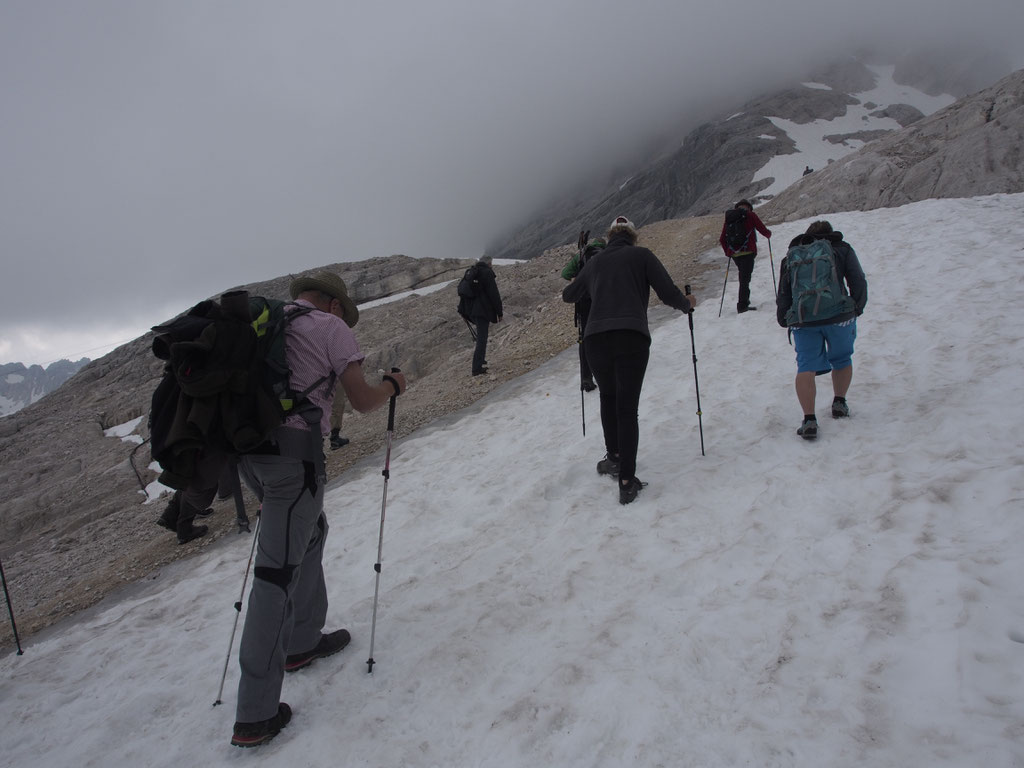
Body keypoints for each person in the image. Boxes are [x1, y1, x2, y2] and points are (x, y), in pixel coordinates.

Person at [231, 271, 407, 748]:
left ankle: (303, 639)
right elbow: (364, 400)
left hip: (250, 455)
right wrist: (393, 386)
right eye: (343, 310)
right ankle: (255, 714)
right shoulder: (329, 328)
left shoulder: (264, 326)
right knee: (273, 576)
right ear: (332, 305)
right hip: (294, 458)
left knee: (311, 531)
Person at [562, 216, 696, 504]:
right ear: (633, 236)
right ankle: (626, 481)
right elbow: (667, 292)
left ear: (609, 237)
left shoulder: (595, 263)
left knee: (608, 398)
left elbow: (569, 295)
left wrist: (584, 278)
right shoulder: (642, 255)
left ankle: (614, 457)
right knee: (627, 408)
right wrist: (687, 304)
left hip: (596, 340)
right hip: (631, 337)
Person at [776, 221, 867, 440]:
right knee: (842, 358)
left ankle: (809, 419)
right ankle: (839, 402)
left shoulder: (792, 255)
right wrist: (856, 307)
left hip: (804, 320)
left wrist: (784, 318)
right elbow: (857, 280)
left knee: (805, 366)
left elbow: (784, 291)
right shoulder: (842, 249)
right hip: (840, 317)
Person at [561, 236, 606, 391]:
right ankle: (606, 373)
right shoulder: (607, 253)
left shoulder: (582, 254)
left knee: (585, 339)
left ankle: (586, 378)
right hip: (602, 300)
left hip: (584, 301)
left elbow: (565, 273)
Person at [719, 199, 772, 313]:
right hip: (748, 251)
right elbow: (761, 228)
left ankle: (744, 302)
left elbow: (722, 239)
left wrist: (728, 252)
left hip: (734, 253)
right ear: (748, 207)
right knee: (744, 279)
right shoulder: (750, 215)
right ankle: (742, 306)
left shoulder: (730, 218)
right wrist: (768, 234)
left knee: (743, 277)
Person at [466, 255, 503, 376]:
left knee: (482, 337)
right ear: (489, 263)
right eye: (491, 263)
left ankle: (481, 360)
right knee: (482, 339)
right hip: (483, 311)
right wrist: (499, 312)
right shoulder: (487, 273)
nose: (492, 265)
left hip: (473, 311)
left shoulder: (474, 272)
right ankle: (476, 368)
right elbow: (494, 294)